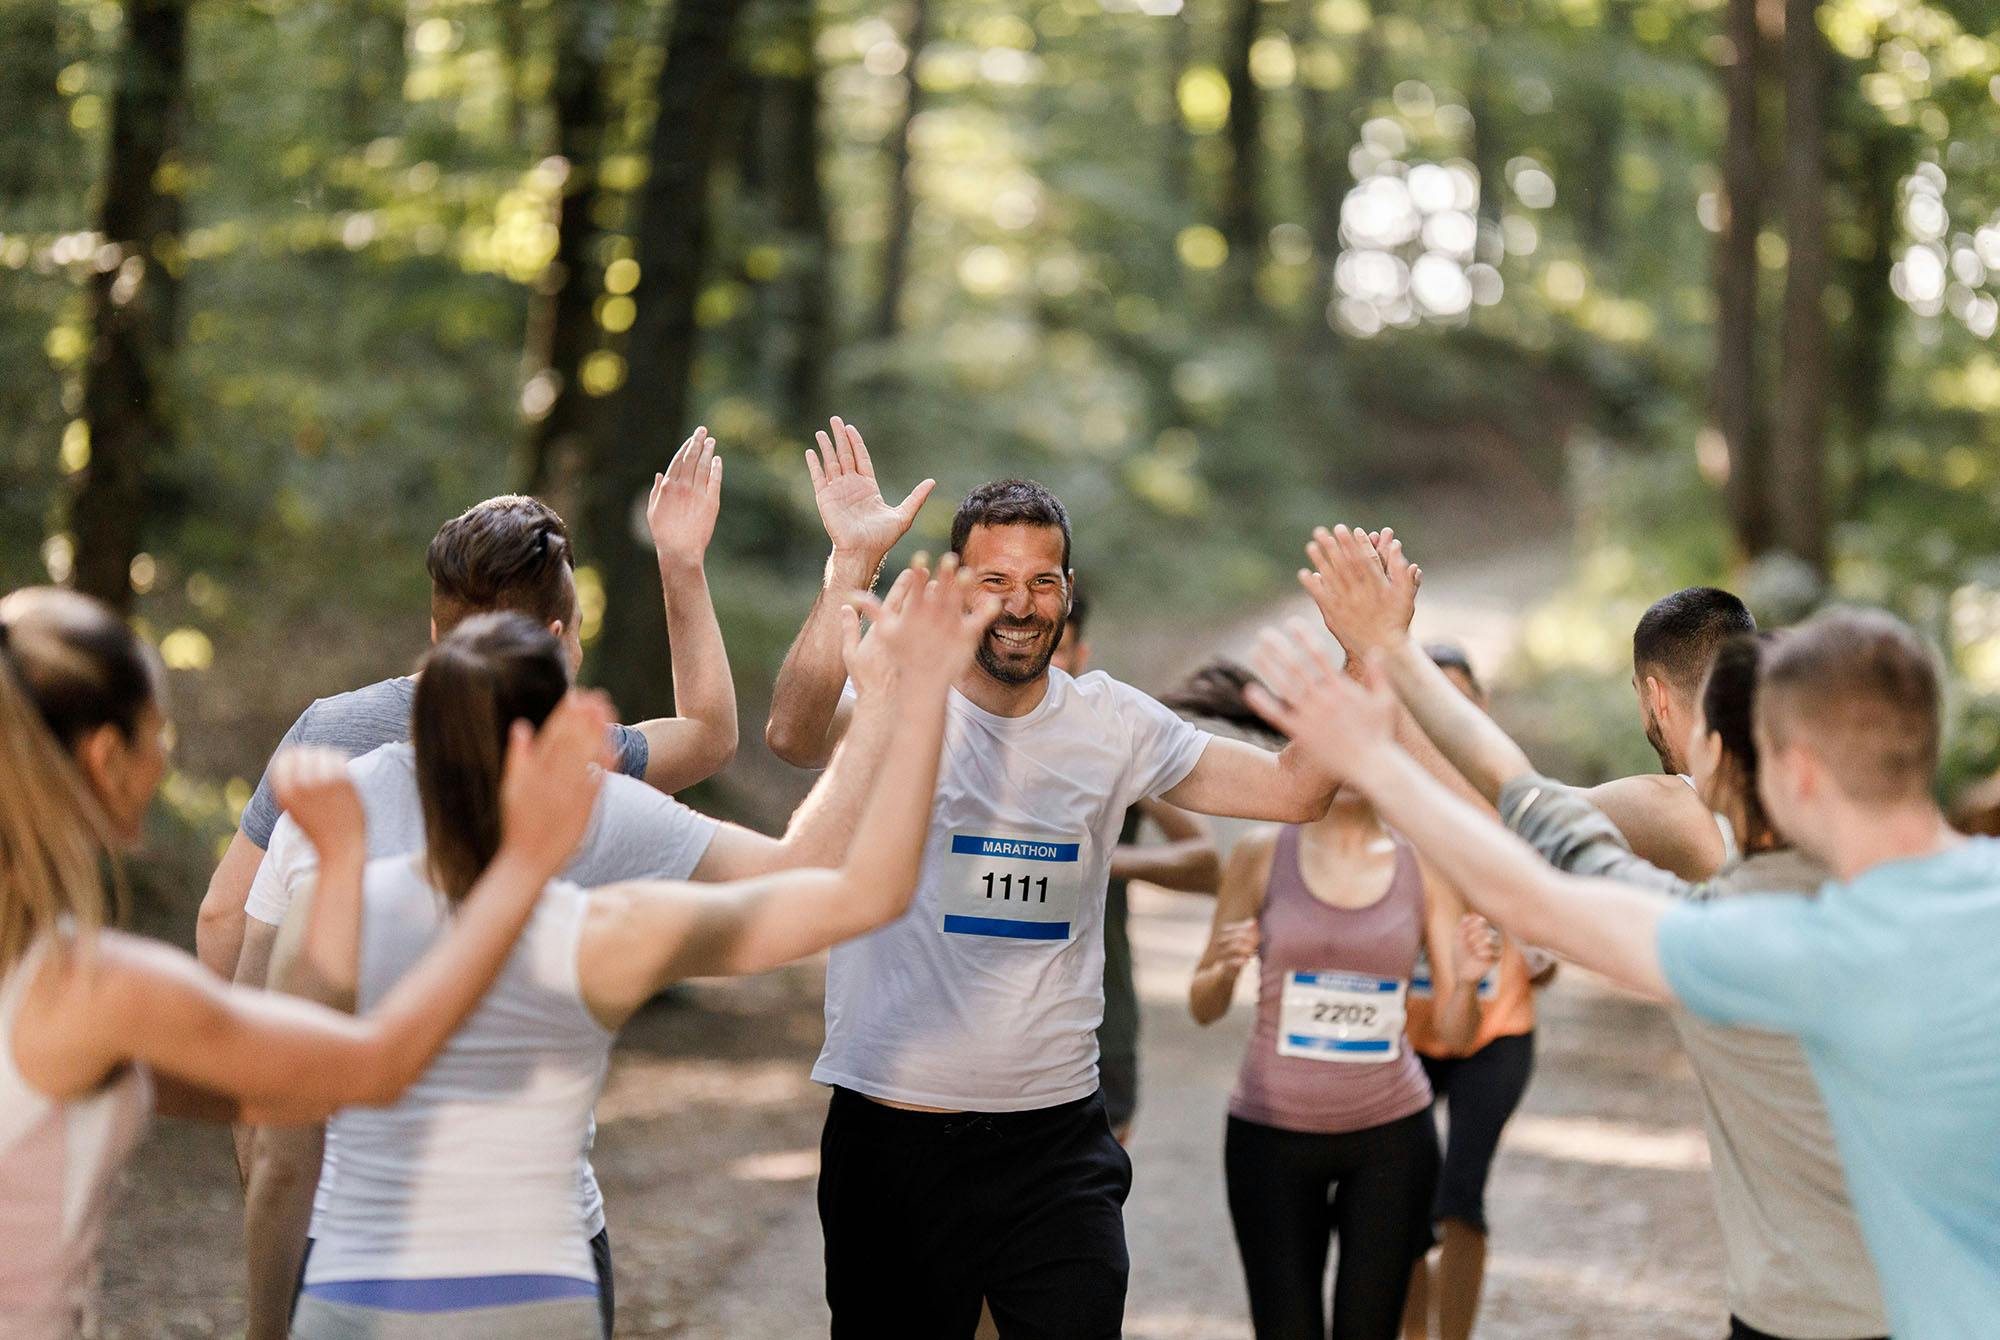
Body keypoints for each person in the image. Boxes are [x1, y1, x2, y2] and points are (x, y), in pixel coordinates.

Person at [1245, 568, 1999, 1340]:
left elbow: (1529, 866)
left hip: (1811, 1321)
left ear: (1795, 768)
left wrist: (1377, 745)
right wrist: (1394, 659)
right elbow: (1528, 805)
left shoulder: (1754, 941)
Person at [271, 561, 993, 1340]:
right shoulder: (599, 936)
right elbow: (862, 893)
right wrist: (903, 701)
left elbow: (280, 1160)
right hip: (533, 1303)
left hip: (351, 1296)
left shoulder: (327, 910)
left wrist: (263, 1323)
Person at [766, 420, 1343, 1338]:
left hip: (1057, 1143)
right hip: (894, 1134)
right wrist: (850, 565)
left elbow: (1297, 790)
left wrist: (1368, 653)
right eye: (995, 580)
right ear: (956, 588)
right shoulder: (897, 698)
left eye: (1042, 582)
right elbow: (793, 733)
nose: (1021, 604)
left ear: (1068, 593)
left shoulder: (1115, 724)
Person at [0, 586, 608, 1340]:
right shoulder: (99, 989)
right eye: (160, 733)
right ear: (105, 757)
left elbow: (272, 1089)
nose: (165, 757)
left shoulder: (65, 984)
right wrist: (521, 862)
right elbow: (372, 1067)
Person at [196, 429, 737, 983]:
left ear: (437, 632)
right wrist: (681, 562)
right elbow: (708, 735)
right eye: (577, 630)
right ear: (554, 643)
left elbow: (223, 914)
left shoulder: (325, 731)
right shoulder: (568, 757)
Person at [1173, 661, 1493, 1340]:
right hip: (1269, 1135)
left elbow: (1458, 1035)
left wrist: (1465, 980)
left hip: (1390, 1138)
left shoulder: (1425, 865)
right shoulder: (1261, 854)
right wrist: (1224, 970)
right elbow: (1202, 1006)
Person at [1296, 534, 1752, 883]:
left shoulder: (1678, 807)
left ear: (1657, 697)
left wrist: (1380, 650)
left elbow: (1514, 814)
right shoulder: (1785, 782)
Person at [1398, 646, 1549, 1340]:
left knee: (1460, 1195)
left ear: (1481, 709)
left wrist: (1540, 951)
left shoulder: (1514, 800)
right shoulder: (1387, 797)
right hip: (1404, 1034)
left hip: (1496, 1030)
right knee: (1402, 1204)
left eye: (1456, 701)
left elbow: (1550, 933)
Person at [1053, 584, 1221, 1141]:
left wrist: (1107, 860)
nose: (1043, 661)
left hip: (1101, 1014)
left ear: (1080, 655)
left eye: (1058, 648)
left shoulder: (1114, 746)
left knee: (1091, 1180)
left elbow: (1206, 864)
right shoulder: (968, 736)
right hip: (982, 1020)